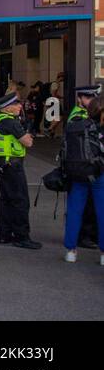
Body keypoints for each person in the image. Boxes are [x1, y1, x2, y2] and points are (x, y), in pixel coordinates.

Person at [0, 90, 40, 249]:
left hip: (3, 164)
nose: (20, 106)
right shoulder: (11, 122)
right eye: (16, 104)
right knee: (20, 201)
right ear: (7, 107)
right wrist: (28, 133)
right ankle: (21, 236)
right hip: (13, 165)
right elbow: (28, 142)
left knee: (6, 200)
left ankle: (4, 234)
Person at [62, 94, 104, 264]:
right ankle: (103, 254)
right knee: (102, 213)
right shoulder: (101, 129)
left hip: (78, 173)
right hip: (100, 174)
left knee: (74, 211)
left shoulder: (76, 126)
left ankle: (70, 250)